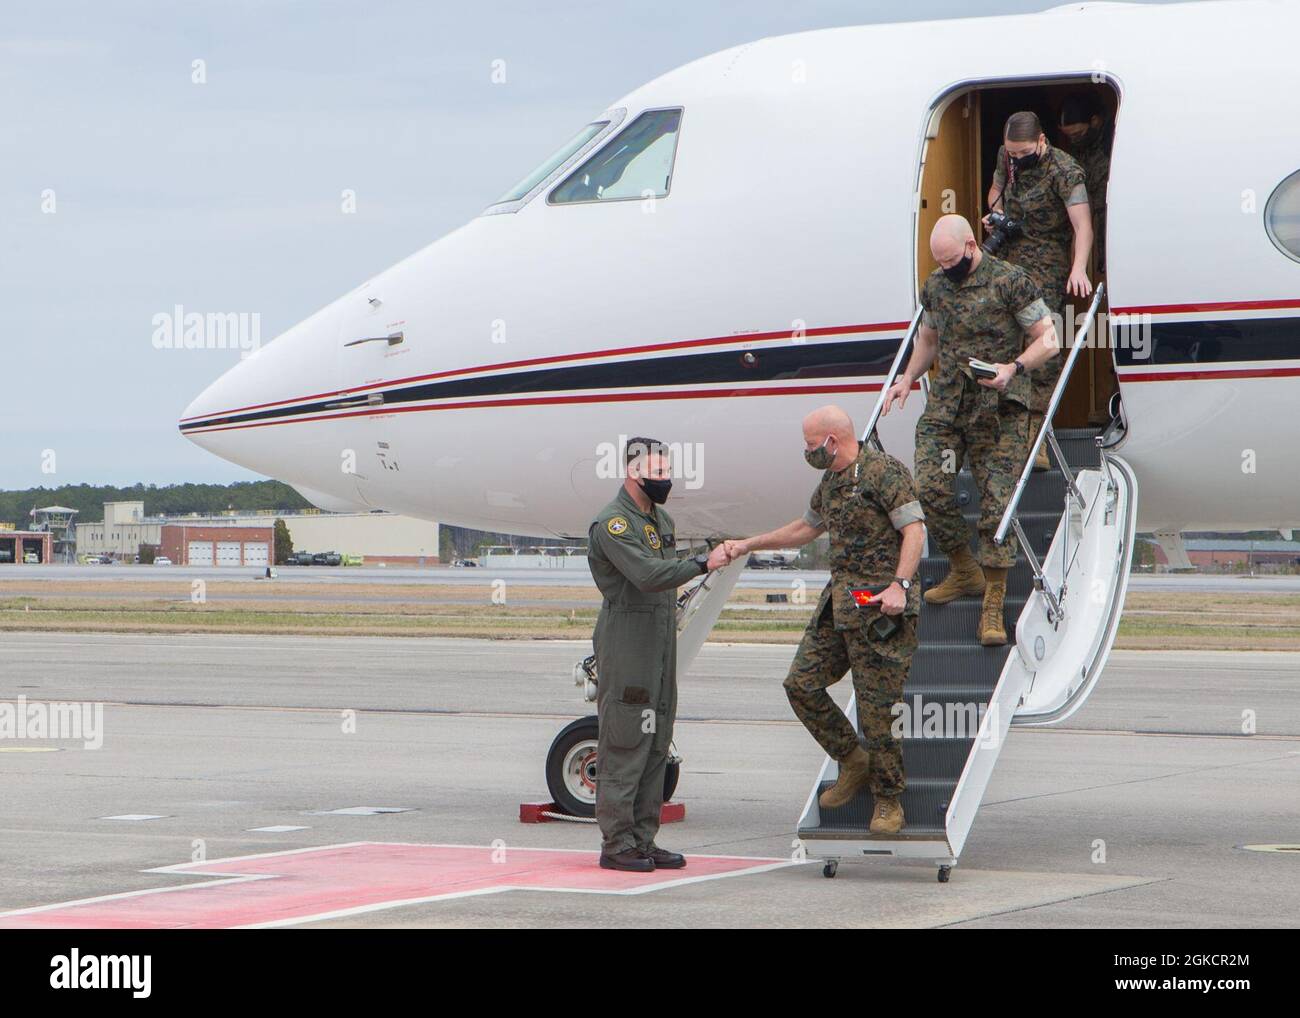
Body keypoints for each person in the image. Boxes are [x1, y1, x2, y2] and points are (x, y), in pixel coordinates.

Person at [724, 406, 924, 834]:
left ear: (833, 440)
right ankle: (853, 759)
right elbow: (805, 529)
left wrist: (900, 586)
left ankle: (888, 801)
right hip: (840, 606)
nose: (807, 452)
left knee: (878, 712)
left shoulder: (884, 472)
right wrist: (749, 544)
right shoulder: (831, 483)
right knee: (800, 684)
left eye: (811, 445)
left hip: (880, 609)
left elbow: (915, 530)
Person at [882, 215, 1059, 646]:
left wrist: (1012, 368)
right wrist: (907, 377)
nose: (946, 269)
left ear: (971, 245)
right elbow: (928, 338)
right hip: (947, 405)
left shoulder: (1010, 281)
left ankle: (993, 604)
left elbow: (1048, 339)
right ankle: (964, 568)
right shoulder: (936, 285)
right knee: (929, 486)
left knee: (997, 503)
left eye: (952, 261)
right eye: (939, 263)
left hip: (999, 409)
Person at [587, 437, 730, 872]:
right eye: (659, 473)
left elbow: (666, 576)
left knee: (655, 741)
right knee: (626, 741)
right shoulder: (613, 524)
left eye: (668, 472)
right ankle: (616, 845)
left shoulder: (661, 518)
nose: (666, 480)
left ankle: (643, 840)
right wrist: (704, 563)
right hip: (629, 643)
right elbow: (648, 575)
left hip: (660, 642)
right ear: (634, 473)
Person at [984, 110, 1092, 470]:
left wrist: (1078, 268)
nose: (1016, 158)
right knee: (1005, 344)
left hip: (1046, 263)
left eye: (1023, 152)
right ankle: (1008, 436)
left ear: (1042, 141)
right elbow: (995, 192)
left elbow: (1083, 226)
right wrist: (995, 214)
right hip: (1010, 260)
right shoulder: (1007, 157)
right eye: (1011, 153)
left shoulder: (1065, 170)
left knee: (1043, 352)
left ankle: (1038, 440)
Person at [1057, 93, 1112, 274]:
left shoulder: (1112, 145)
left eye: (1078, 134)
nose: (1074, 140)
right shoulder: (1076, 150)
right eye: (1069, 136)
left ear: (1095, 121)